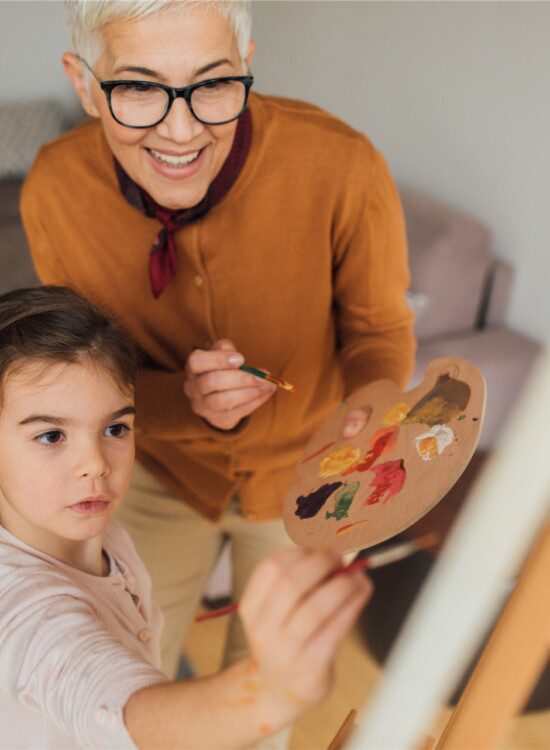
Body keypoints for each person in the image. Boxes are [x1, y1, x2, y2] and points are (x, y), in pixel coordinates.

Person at [21, 0, 415, 696]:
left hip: (316, 474)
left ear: (246, 67)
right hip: (155, 475)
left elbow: (380, 332)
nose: (182, 129)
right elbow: (83, 374)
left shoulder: (344, 164)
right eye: (138, 87)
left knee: (273, 693)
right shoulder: (54, 187)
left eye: (212, 84)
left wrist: (370, 411)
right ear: (84, 85)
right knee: (128, 677)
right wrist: (185, 401)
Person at [0, 285, 371, 750]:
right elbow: (115, 707)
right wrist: (269, 691)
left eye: (115, 428)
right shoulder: (21, 609)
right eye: (52, 436)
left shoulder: (109, 535)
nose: (95, 463)